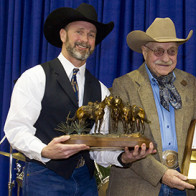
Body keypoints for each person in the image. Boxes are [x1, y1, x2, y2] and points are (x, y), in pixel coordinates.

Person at [4, 3, 155, 195]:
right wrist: (44, 150)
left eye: (91, 35)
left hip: (86, 181)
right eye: (79, 32)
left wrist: (123, 158)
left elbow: (98, 147)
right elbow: (16, 129)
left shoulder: (101, 90)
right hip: (44, 177)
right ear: (63, 35)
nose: (85, 39)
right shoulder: (35, 77)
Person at [106, 17, 196, 196]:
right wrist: (161, 174)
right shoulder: (124, 85)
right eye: (158, 51)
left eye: (172, 51)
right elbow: (124, 140)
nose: (166, 58)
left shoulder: (189, 82)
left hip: (181, 184)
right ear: (144, 51)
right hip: (138, 186)